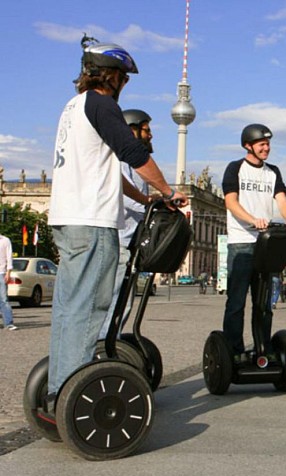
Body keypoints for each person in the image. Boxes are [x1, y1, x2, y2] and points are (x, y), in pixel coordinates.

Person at [46, 37, 187, 418]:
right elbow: (134, 154)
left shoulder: (73, 107)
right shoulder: (102, 104)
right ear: (111, 77)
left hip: (67, 217)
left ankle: (58, 385)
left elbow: (104, 167)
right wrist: (168, 191)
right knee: (91, 307)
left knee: (68, 308)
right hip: (92, 221)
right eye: (123, 78)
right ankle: (72, 394)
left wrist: (146, 200)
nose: (124, 86)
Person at [221, 123, 286, 365]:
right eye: (262, 144)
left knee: (264, 302)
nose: (266, 148)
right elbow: (231, 202)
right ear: (248, 145)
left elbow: (281, 199)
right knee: (236, 302)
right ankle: (234, 351)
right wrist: (252, 220)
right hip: (241, 242)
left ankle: (262, 347)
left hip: (266, 244)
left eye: (268, 144)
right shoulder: (235, 169)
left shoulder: (273, 172)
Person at [97, 109, 156, 340]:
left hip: (131, 242)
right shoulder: (120, 160)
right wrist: (151, 205)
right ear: (132, 130)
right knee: (114, 302)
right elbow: (124, 194)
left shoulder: (137, 163)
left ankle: (113, 343)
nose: (150, 136)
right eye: (146, 130)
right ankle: (103, 348)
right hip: (118, 240)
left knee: (125, 304)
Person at [0, 233, 18, 331]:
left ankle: (8, 323)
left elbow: (9, 257)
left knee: (3, 299)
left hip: (1, 273)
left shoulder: (5, 240)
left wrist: (8, 272)